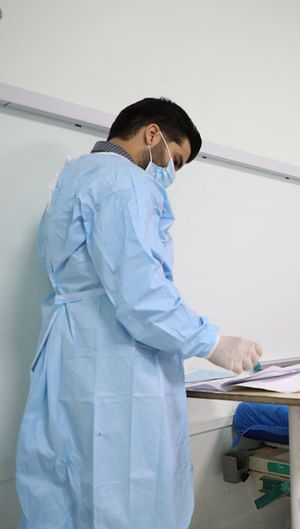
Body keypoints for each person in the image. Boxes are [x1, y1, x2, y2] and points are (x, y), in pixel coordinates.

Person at [16, 98, 263, 529]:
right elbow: (140, 293)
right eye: (175, 158)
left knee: (68, 489)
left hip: (70, 355)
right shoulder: (122, 182)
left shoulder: (74, 176)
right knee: (128, 494)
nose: (170, 172)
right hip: (115, 361)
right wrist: (211, 342)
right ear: (153, 135)